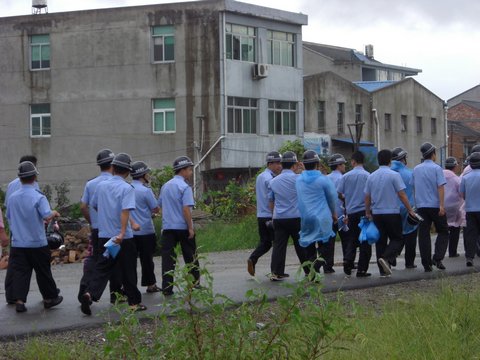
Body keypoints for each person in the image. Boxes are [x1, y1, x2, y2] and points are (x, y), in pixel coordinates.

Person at [80, 153, 146, 315]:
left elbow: (93, 205)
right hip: (122, 238)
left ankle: (89, 294)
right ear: (128, 172)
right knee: (128, 269)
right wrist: (123, 232)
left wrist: (106, 217)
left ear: (113, 168)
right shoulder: (126, 188)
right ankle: (134, 303)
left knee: (103, 267)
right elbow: (125, 211)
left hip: (104, 235)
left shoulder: (101, 186)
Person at [6, 161, 63, 313]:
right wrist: (55, 212)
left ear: (20, 178)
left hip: (18, 243)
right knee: (43, 272)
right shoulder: (39, 197)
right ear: (34, 177)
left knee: (20, 273)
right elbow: (46, 215)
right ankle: (49, 298)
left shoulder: (12, 198)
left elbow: (9, 217)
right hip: (37, 242)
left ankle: (19, 301)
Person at [365, 149, 417, 277]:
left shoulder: (372, 176)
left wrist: (368, 212)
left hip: (377, 213)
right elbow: (402, 194)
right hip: (392, 212)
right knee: (397, 238)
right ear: (389, 161)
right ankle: (387, 258)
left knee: (380, 241)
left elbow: (367, 196)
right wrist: (410, 210)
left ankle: (383, 271)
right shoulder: (394, 175)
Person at [77, 149, 117, 303]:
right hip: (112, 231)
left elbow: (83, 206)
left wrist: (92, 222)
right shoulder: (115, 184)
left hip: (96, 230)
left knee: (95, 260)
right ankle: (115, 294)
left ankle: (84, 290)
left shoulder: (91, 183)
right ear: (113, 165)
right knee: (112, 259)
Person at [268, 151, 315, 281]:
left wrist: (273, 216)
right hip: (296, 217)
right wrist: (304, 168)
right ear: (295, 165)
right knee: (301, 245)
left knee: (279, 246)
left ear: (282, 165)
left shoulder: (273, 181)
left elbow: (271, 200)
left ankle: (276, 272)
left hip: (279, 218)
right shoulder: (299, 179)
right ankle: (309, 272)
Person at [158, 156, 200, 296]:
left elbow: (160, 206)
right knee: (190, 256)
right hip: (182, 227)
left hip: (168, 228)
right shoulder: (184, 187)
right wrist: (190, 227)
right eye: (189, 170)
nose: (190, 173)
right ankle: (194, 283)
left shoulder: (165, 186)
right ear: (182, 170)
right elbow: (186, 209)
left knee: (168, 259)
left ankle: (167, 288)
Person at [4, 155, 40, 304]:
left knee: (15, 262)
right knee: (38, 263)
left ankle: (11, 293)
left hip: (15, 229)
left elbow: (7, 207)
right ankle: (49, 292)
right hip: (31, 231)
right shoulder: (34, 185)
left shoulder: (11, 185)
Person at [296, 150, 337, 274]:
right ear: (317, 163)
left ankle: (313, 275)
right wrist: (334, 213)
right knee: (326, 245)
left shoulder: (299, 180)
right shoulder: (323, 180)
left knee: (309, 244)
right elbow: (331, 198)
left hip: (306, 217)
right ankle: (315, 265)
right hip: (322, 217)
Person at [412, 142, 449, 272]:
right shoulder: (437, 168)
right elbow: (440, 187)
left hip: (421, 206)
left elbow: (414, 187)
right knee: (443, 231)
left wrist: (416, 205)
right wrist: (442, 205)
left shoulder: (416, 169)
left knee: (423, 235)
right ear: (433, 154)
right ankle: (437, 258)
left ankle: (426, 264)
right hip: (435, 206)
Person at [247, 151, 282, 276]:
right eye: (277, 163)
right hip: (270, 215)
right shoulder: (271, 179)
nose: (279, 166)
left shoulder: (260, 176)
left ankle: (253, 258)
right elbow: (273, 198)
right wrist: (274, 215)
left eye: (280, 163)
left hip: (260, 215)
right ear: (270, 164)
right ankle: (276, 270)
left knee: (265, 242)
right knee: (278, 243)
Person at [336, 151, 371, 277]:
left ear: (353, 161)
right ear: (363, 162)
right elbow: (370, 195)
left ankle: (348, 259)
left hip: (351, 212)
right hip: (364, 212)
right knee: (365, 241)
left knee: (352, 238)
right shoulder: (368, 176)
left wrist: (346, 199)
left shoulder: (345, 176)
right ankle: (362, 269)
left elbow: (339, 193)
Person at [130, 161, 161, 293]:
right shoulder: (145, 191)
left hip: (130, 232)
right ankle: (150, 284)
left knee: (130, 262)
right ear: (142, 175)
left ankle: (130, 287)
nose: (148, 175)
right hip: (146, 231)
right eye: (147, 173)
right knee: (147, 260)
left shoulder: (126, 188)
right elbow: (155, 209)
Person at [391, 147, 418, 268]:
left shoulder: (389, 173)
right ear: (403, 159)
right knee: (411, 235)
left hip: (392, 209)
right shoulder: (410, 173)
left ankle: (392, 256)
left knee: (396, 235)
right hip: (408, 207)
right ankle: (409, 262)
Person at [325, 153, 347, 274]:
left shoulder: (326, 178)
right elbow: (344, 195)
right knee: (346, 240)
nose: (344, 166)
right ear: (339, 165)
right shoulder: (342, 178)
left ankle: (328, 266)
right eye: (343, 164)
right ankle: (347, 261)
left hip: (328, 214)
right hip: (341, 214)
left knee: (329, 242)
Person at [460, 152, 480, 267]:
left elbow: (462, 195)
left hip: (470, 209)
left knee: (471, 234)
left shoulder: (466, 177)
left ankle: (469, 257)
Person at [443, 157, 464, 258]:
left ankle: (441, 253)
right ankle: (452, 252)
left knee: (443, 230)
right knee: (455, 228)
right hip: (454, 206)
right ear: (455, 166)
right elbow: (461, 192)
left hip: (441, 206)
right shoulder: (456, 179)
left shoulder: (440, 176)